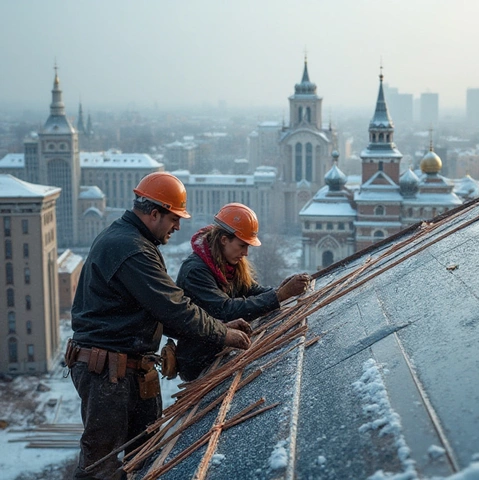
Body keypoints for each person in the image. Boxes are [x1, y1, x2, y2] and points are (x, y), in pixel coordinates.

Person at [67, 172, 252, 480]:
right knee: (102, 469)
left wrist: (220, 326)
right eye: (174, 218)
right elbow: (176, 309)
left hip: (127, 371)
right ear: (154, 213)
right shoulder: (131, 249)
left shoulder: (132, 240)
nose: (178, 226)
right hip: (108, 374)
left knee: (148, 458)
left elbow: (163, 312)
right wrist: (225, 334)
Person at [175, 202, 310, 381]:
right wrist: (279, 295)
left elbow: (251, 290)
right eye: (242, 246)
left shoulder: (228, 264)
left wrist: (280, 290)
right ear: (224, 240)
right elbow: (225, 310)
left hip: (221, 351)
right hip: (200, 362)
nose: (246, 253)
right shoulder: (196, 272)